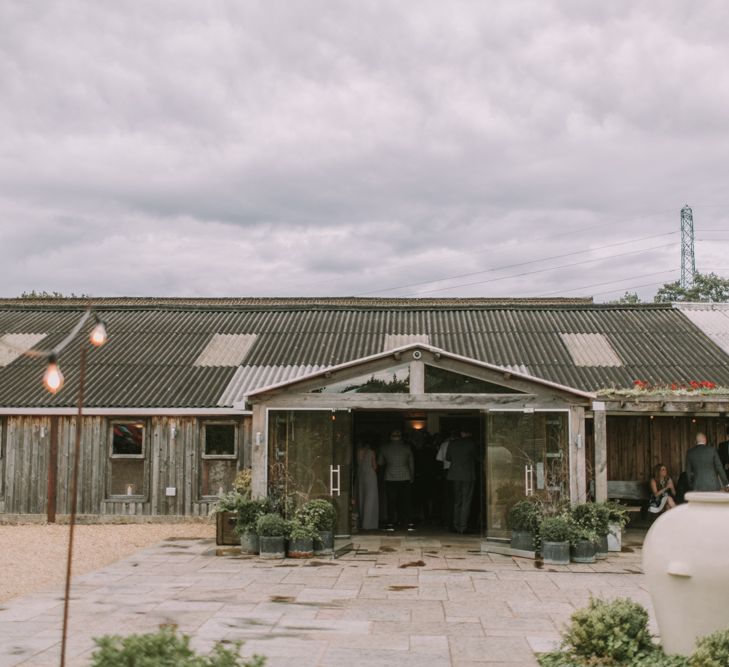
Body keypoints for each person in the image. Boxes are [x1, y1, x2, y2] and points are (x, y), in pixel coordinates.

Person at [377, 429, 415, 530]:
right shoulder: (407, 448)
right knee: (405, 501)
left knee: (391, 501)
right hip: (405, 476)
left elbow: (380, 462)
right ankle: (407, 522)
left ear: (390, 437)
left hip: (390, 476)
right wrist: (412, 476)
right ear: (401, 437)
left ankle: (390, 523)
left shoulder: (384, 448)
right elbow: (411, 464)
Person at [446, 428, 478, 534]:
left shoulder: (452, 443)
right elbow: (478, 457)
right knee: (466, 501)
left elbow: (448, 458)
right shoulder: (472, 443)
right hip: (468, 474)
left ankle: (456, 525)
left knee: (457, 501)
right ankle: (463, 526)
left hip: (454, 474)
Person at [356, 441, 379, 530]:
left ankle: (361, 522)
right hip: (370, 474)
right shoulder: (371, 452)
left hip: (360, 474)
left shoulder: (358, 452)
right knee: (370, 498)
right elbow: (375, 466)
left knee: (361, 496)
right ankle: (369, 523)